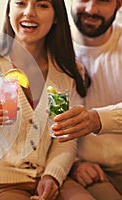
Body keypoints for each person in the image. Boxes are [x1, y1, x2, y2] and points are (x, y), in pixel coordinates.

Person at [0, 0, 94, 199]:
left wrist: (52, 177)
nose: (29, 12)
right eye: (21, 3)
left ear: (57, 16)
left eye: (42, 5)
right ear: (9, 10)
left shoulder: (69, 72)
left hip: (48, 179)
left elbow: (66, 140)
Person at [50, 0, 122, 198]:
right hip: (86, 170)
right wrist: (73, 164)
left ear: (119, 4)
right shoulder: (51, 48)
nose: (91, 9)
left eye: (103, 0)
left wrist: (97, 119)